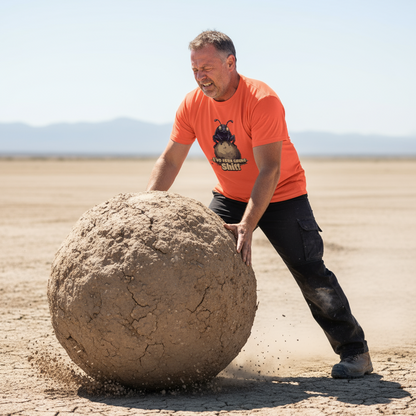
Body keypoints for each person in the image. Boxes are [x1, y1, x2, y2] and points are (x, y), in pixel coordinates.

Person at [146, 30, 372, 379]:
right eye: (194, 68)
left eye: (206, 66)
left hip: (283, 194)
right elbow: (171, 160)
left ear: (231, 62)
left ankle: (355, 352)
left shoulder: (261, 100)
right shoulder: (192, 104)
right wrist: (146, 207)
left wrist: (248, 225)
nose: (199, 75)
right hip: (229, 196)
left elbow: (269, 169)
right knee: (196, 262)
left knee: (310, 272)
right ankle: (193, 352)